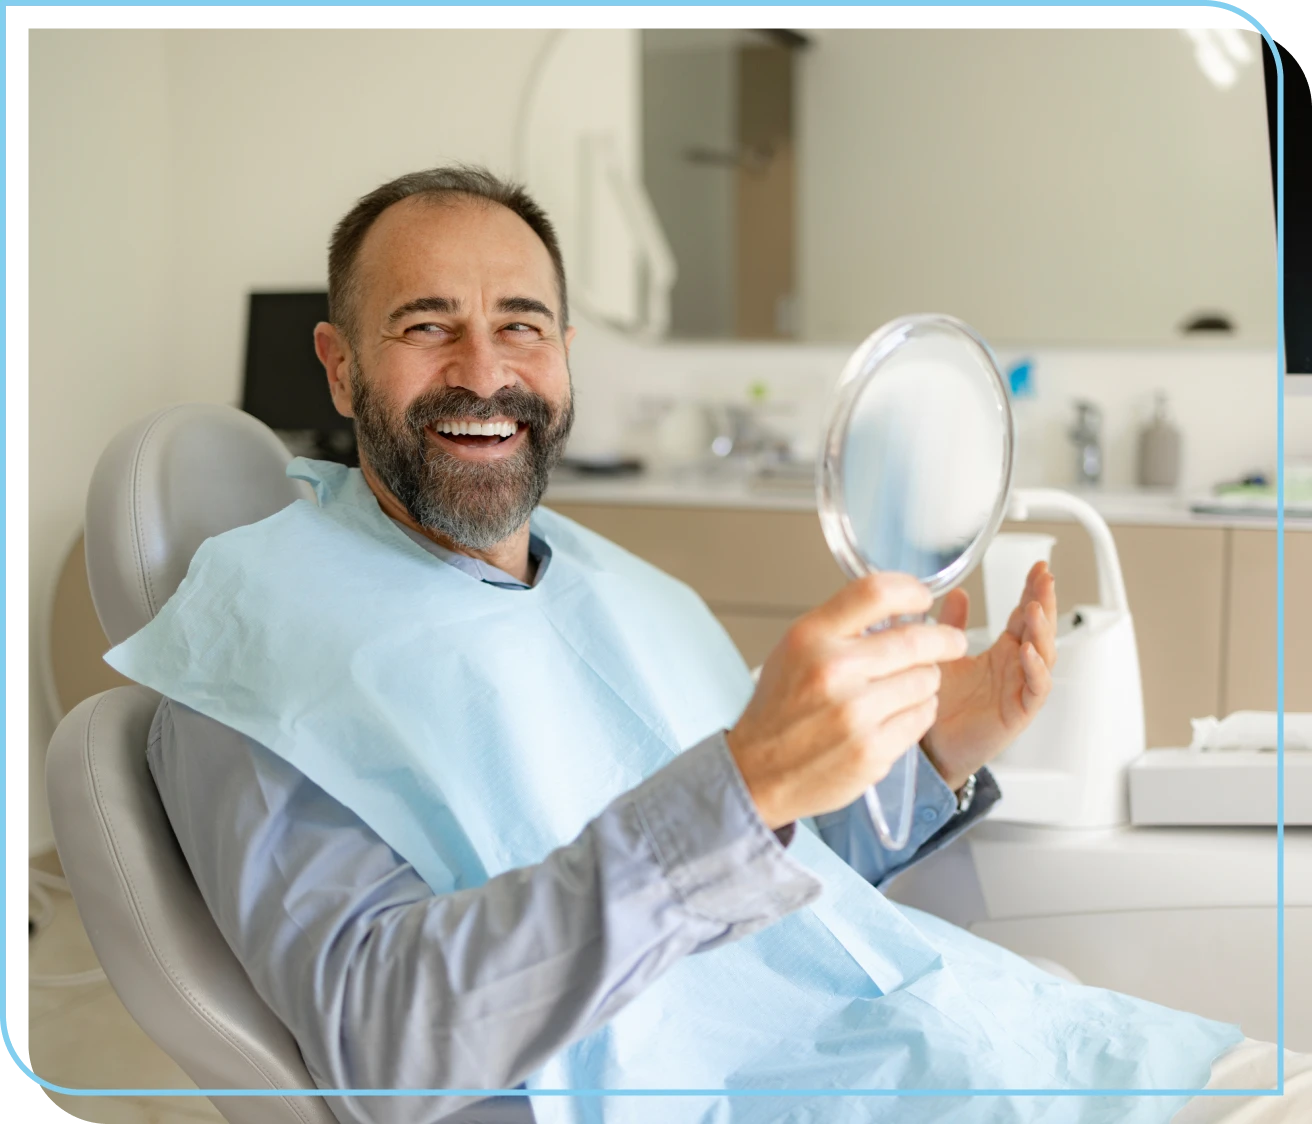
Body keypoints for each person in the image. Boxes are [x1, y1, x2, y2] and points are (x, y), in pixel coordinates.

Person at [122, 167, 1307, 1124]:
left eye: (519, 326)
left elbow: (763, 868)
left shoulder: (613, 584)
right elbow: (383, 1038)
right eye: (426, 326)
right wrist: (741, 781)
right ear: (338, 361)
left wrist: (937, 747)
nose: (483, 371)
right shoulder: (256, 653)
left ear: (567, 355)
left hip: (976, 1040)